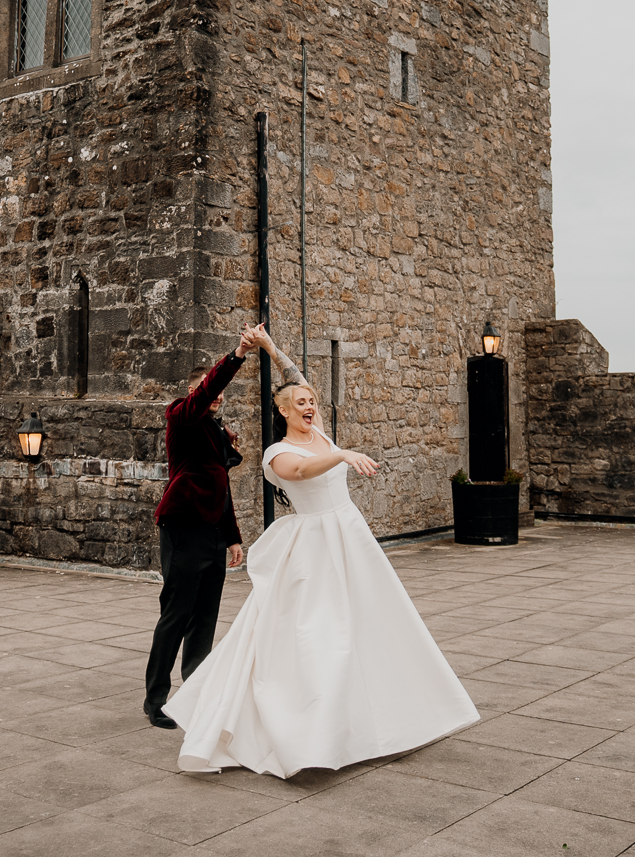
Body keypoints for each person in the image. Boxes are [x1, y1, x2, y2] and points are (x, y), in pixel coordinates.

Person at [163, 327, 479, 775]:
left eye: (312, 401)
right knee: (318, 635)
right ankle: (307, 731)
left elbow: (297, 382)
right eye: (301, 402)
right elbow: (304, 469)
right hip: (312, 548)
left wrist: (272, 348)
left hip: (350, 538)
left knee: (374, 624)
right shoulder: (278, 452)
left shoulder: (320, 434)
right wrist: (343, 455)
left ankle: (385, 718)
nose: (310, 406)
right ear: (283, 410)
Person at [142, 323, 263, 729]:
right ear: (196, 392)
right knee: (176, 614)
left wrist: (232, 539)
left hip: (212, 533)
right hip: (182, 528)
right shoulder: (180, 415)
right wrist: (237, 354)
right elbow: (209, 387)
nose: (217, 396)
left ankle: (195, 691)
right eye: (209, 391)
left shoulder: (214, 430)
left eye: (218, 393)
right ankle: (155, 699)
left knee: (206, 617)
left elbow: (221, 484)